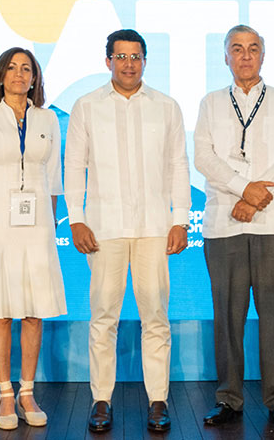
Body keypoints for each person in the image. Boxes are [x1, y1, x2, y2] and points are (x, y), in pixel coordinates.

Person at [65, 30, 189, 433]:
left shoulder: (166, 107)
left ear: (145, 61)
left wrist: (180, 219)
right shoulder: (87, 106)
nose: (129, 64)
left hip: (154, 226)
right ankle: (101, 400)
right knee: (103, 317)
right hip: (104, 227)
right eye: (121, 57)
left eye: (136, 57)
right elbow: (74, 165)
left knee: (156, 316)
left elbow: (178, 164)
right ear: (108, 62)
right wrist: (76, 217)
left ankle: (158, 400)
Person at [195, 25, 274, 428]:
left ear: (263, 55)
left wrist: (257, 196)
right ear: (225, 57)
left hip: (273, 223)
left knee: (273, 314)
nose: (245, 56)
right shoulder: (211, 102)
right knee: (228, 315)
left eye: (253, 49)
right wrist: (243, 189)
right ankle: (228, 398)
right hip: (225, 223)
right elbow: (203, 158)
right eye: (237, 49)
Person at [0, 46, 66, 430]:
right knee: (2, 309)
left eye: (26, 68)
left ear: (35, 77)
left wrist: (49, 227)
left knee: (34, 310)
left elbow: (53, 179)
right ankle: (5, 392)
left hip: (37, 227)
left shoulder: (48, 119)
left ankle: (28, 392)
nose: (19, 74)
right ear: (1, 76)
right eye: (12, 68)